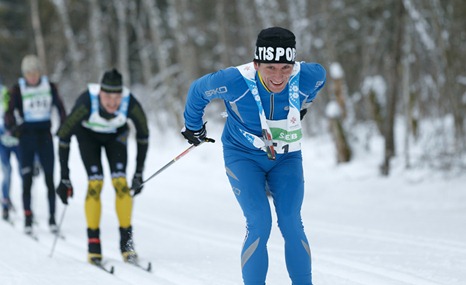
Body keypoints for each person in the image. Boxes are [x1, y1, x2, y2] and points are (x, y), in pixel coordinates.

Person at [181, 27, 326, 285]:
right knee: (260, 222)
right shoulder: (234, 81)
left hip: (286, 158)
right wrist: (193, 126)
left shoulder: (310, 76)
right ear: (256, 63)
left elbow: (317, 83)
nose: (278, 76)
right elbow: (197, 91)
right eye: (270, 67)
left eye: (285, 68)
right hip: (243, 157)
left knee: (292, 223)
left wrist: (303, 107)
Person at [55, 68, 149, 265]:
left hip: (116, 137)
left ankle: (127, 244)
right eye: (108, 97)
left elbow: (144, 135)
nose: (112, 103)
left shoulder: (130, 102)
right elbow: (64, 135)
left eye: (117, 97)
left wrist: (139, 172)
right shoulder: (86, 102)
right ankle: (94, 245)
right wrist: (65, 177)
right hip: (88, 137)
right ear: (100, 93)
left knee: (121, 184)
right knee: (95, 184)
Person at [4, 55, 67, 233]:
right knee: (27, 179)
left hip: (45, 137)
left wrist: (63, 126)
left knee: (49, 178)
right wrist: (12, 128)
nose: (32, 76)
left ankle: (53, 219)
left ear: (40, 72)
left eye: (35, 72)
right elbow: (8, 113)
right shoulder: (18, 89)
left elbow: (61, 108)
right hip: (26, 138)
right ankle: (28, 219)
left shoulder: (50, 86)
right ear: (24, 74)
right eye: (29, 73)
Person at [0, 81, 21, 221]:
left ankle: (27, 207)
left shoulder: (6, 92)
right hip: (2, 141)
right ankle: (5, 203)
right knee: (7, 172)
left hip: (16, 140)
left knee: (24, 171)